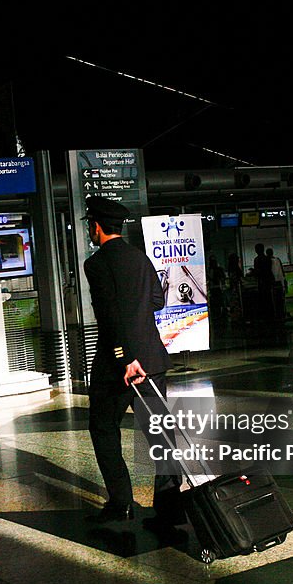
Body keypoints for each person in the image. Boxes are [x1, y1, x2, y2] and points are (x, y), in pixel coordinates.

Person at [81, 196, 183, 535]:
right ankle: (168, 508)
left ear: (96, 226)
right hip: (153, 358)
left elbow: (108, 315)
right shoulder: (141, 259)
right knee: (160, 434)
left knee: (103, 427)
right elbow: (156, 300)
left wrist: (125, 357)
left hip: (118, 365)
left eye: (89, 225)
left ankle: (121, 502)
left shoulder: (96, 264)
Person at [252, 243, 275, 320]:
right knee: (268, 297)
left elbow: (257, 272)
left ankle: (264, 314)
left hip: (262, 281)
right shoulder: (268, 259)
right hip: (267, 280)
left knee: (263, 298)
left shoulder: (257, 260)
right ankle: (271, 314)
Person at [267, 248, 287, 321]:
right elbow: (281, 271)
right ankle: (281, 313)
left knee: (274, 299)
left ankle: (276, 314)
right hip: (279, 281)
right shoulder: (277, 260)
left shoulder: (267, 261)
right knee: (280, 299)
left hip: (272, 282)